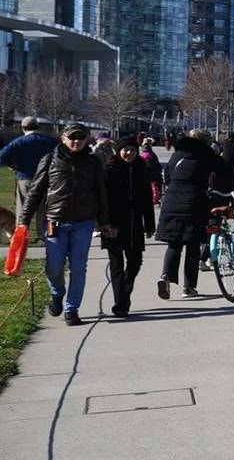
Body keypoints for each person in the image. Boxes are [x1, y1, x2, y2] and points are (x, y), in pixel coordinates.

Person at [23, 123, 113, 325]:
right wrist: (24, 221)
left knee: (79, 267)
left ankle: (72, 309)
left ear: (87, 139)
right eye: (72, 137)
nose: (76, 141)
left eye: (81, 137)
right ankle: (57, 293)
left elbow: (102, 193)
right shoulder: (50, 160)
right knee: (54, 267)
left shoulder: (93, 162)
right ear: (63, 138)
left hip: (83, 223)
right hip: (55, 221)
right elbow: (35, 192)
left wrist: (104, 221)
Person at [156, 129, 234, 298]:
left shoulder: (177, 155)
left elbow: (167, 178)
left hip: (172, 202)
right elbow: (227, 171)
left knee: (174, 244)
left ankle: (165, 276)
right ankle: (189, 287)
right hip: (193, 202)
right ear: (204, 142)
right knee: (193, 245)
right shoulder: (204, 155)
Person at [102, 136, 156, 318]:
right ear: (118, 151)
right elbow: (103, 201)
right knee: (117, 264)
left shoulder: (142, 168)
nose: (129, 153)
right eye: (125, 150)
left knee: (135, 262)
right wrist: (105, 224)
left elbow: (148, 199)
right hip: (114, 224)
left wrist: (150, 224)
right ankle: (120, 304)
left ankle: (125, 288)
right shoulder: (109, 169)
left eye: (132, 150)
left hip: (135, 223)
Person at [2, 117, 58, 222]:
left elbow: (2, 156)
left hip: (25, 178)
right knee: (43, 212)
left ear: (23, 127)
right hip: (46, 179)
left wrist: (11, 165)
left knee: (23, 211)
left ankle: (22, 236)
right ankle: (44, 236)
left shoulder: (19, 142)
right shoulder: (50, 141)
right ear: (37, 127)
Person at [138, 137, 165, 206]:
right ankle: (154, 199)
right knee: (154, 187)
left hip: (145, 175)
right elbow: (153, 165)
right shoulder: (150, 153)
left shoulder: (142, 152)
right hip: (152, 175)